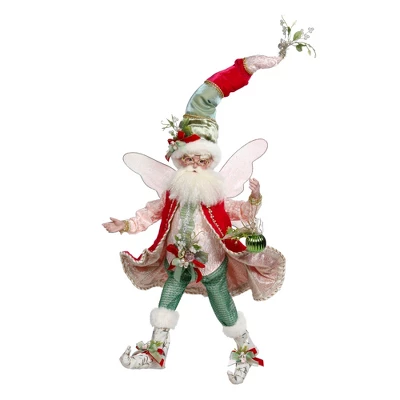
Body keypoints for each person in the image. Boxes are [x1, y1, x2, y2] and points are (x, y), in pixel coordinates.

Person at [103, 55, 286, 384]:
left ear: (210, 162)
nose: (195, 165)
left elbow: (240, 213)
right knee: (167, 299)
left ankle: (246, 349)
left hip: (212, 260)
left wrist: (255, 199)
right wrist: (127, 225)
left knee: (222, 303)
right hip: (177, 258)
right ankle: (157, 351)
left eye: (202, 160)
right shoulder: (173, 192)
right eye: (189, 160)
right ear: (179, 161)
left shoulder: (215, 193)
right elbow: (151, 212)